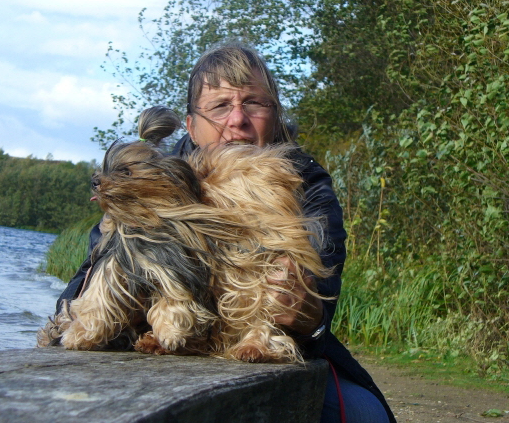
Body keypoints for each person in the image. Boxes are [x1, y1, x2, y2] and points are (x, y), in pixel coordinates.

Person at [57, 42, 396, 423]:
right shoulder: (150, 178)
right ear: (191, 126)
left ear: (275, 116)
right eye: (220, 106)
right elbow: (81, 288)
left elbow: (322, 296)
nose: (237, 119)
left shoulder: (305, 181)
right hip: (156, 350)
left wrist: (307, 313)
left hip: (278, 353)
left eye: (254, 103)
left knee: (367, 415)